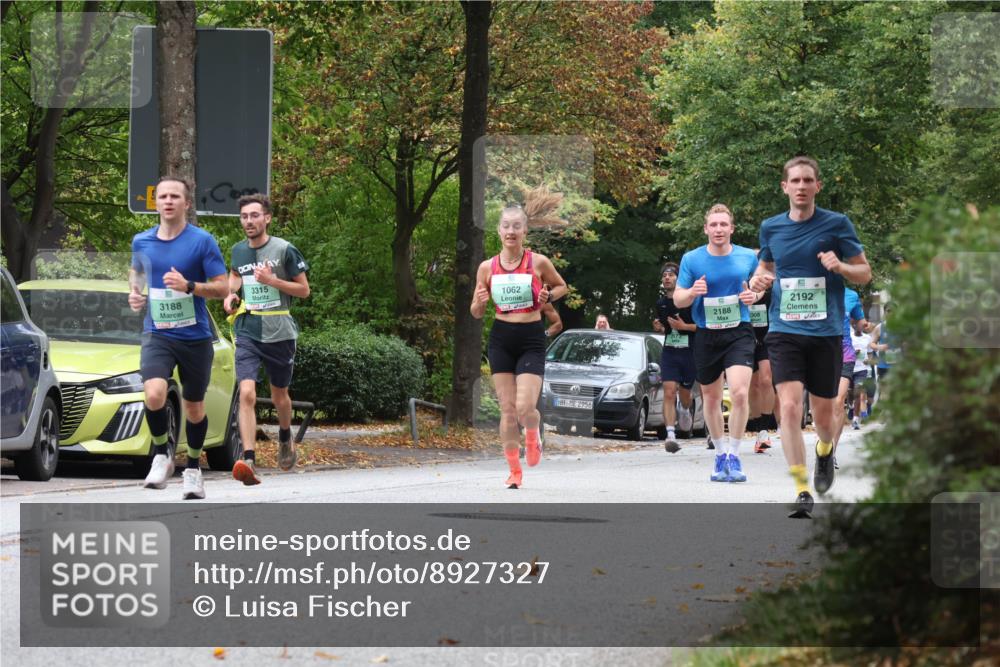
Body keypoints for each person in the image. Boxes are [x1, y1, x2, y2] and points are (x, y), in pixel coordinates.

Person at [750, 156, 871, 518]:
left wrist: (841, 266)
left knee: (822, 414)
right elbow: (765, 266)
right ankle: (801, 488)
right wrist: (758, 281)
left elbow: (864, 272)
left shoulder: (837, 224)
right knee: (788, 406)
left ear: (818, 186)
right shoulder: (770, 228)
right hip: (785, 330)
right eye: (795, 181)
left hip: (826, 332)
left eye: (808, 180)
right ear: (784, 187)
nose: (801, 186)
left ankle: (824, 449)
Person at [129, 177, 229, 500]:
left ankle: (194, 469)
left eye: (175, 196)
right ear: (155, 202)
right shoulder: (142, 241)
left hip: (194, 337)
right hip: (157, 333)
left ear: (187, 203)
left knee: (194, 407)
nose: (168, 201)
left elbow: (223, 286)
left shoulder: (202, 241)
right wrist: (134, 292)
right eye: (162, 196)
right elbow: (138, 273)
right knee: (154, 393)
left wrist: (190, 286)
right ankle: (162, 455)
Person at [470, 194, 568, 489]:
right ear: (498, 231)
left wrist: (548, 295)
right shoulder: (487, 268)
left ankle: (534, 432)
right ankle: (514, 470)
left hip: (530, 338)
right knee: (508, 410)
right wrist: (478, 300)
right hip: (501, 338)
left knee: (525, 408)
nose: (510, 232)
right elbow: (475, 313)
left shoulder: (538, 262)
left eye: (516, 227)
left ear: (525, 232)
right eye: (505, 226)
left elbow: (563, 286)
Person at [223, 194, 310, 485]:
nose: (249, 221)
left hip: (280, 332)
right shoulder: (238, 251)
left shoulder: (284, 249)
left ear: (267, 218)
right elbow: (235, 275)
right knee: (246, 392)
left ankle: (285, 438)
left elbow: (303, 291)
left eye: (254, 215)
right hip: (248, 328)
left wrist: (272, 281)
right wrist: (231, 294)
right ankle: (248, 458)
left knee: (279, 396)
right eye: (245, 216)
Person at [674, 204, 760, 483]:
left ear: (732, 228)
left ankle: (734, 454)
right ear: (706, 229)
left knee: (738, 393)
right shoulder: (692, 259)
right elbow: (678, 299)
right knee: (710, 397)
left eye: (724, 224)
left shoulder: (748, 257)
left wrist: (753, 298)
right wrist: (692, 292)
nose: (719, 229)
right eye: (714, 225)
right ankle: (720, 453)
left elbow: (758, 289)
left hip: (739, 331)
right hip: (706, 333)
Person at [652, 262, 696, 450]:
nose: (667, 278)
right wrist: (660, 328)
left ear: (679, 279)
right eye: (664, 276)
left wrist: (684, 327)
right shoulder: (660, 303)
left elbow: (701, 327)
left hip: (689, 353)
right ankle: (670, 434)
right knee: (669, 391)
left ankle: (685, 409)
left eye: (671, 275)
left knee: (685, 395)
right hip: (670, 351)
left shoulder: (690, 301)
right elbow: (666, 329)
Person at [830, 287, 868, 469]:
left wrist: (863, 325)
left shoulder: (851, 295)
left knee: (838, 401)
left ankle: (831, 452)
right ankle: (823, 444)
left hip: (845, 350)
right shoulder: (813, 287)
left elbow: (860, 321)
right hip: (820, 351)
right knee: (824, 403)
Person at [747, 249, 779, 454]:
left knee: (766, 380)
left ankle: (764, 428)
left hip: (769, 337)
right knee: (753, 383)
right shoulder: (746, 282)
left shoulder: (776, 285)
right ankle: (756, 422)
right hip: (747, 337)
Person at [849, 322, 874, 429]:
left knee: (858, 391)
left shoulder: (867, 338)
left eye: (860, 324)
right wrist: (853, 353)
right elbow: (843, 351)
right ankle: (851, 407)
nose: (857, 326)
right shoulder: (849, 337)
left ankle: (855, 418)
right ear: (853, 326)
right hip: (849, 368)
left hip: (862, 369)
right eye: (855, 325)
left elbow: (870, 353)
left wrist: (869, 360)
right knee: (850, 394)